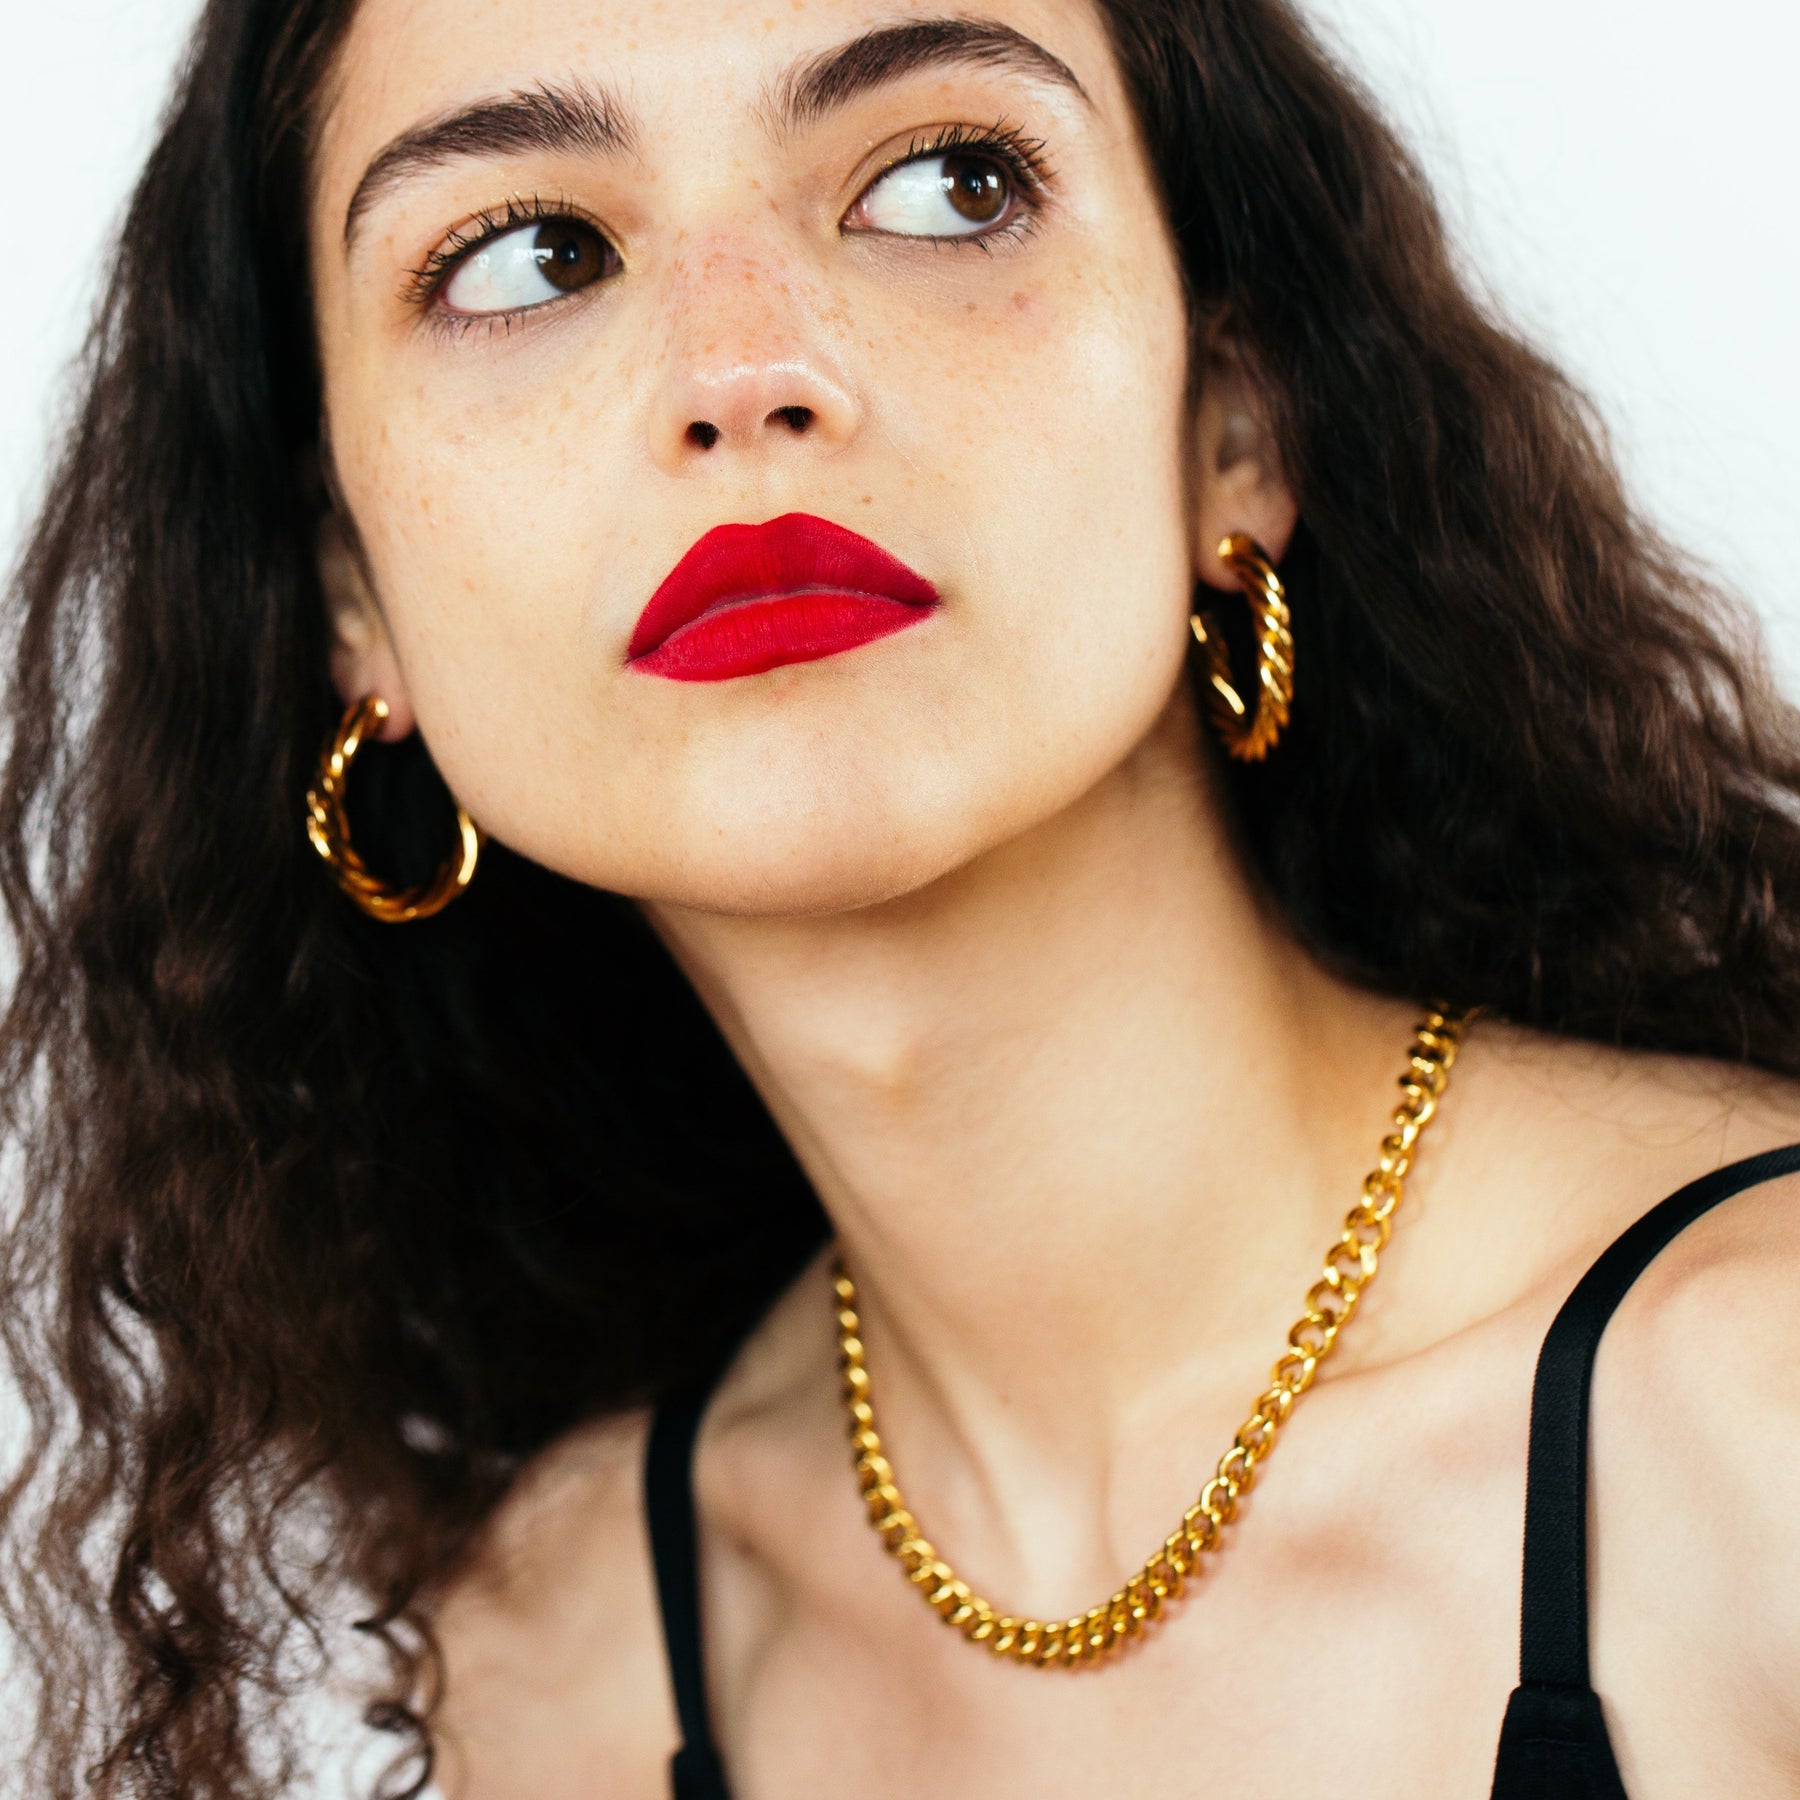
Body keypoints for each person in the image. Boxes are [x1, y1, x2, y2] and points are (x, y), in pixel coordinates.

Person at [5, 0, 1800, 1794]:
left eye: (949, 183)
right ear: (353, 600)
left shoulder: (1758, 1407)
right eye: (531, 256)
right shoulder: (573, 1660)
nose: (744, 371)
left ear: (1236, 427)